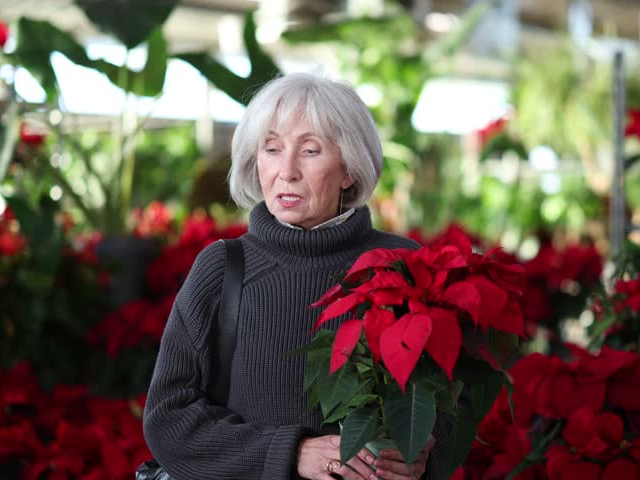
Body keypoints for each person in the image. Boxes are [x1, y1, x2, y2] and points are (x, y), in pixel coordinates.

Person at [143, 72, 442, 480]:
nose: (287, 171)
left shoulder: (404, 266)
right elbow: (168, 420)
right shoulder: (223, 268)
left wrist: (424, 451)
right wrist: (291, 452)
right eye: (271, 148)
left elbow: (448, 402)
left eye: (310, 150)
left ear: (349, 168)